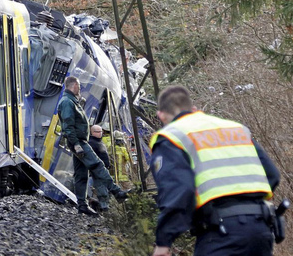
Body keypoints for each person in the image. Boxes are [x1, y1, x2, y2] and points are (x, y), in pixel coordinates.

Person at [149, 85, 280, 256]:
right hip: (261, 230)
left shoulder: (172, 136)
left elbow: (180, 190)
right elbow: (272, 175)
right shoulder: (235, 128)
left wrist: (164, 241)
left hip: (220, 234)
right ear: (194, 109)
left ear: (161, 116)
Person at [58, 76, 129, 215]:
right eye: (79, 85)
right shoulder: (67, 102)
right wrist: (77, 144)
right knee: (97, 165)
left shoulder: (72, 101)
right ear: (73, 86)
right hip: (78, 142)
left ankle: (82, 206)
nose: (80, 88)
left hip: (77, 142)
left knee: (81, 174)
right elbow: (68, 126)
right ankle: (116, 191)